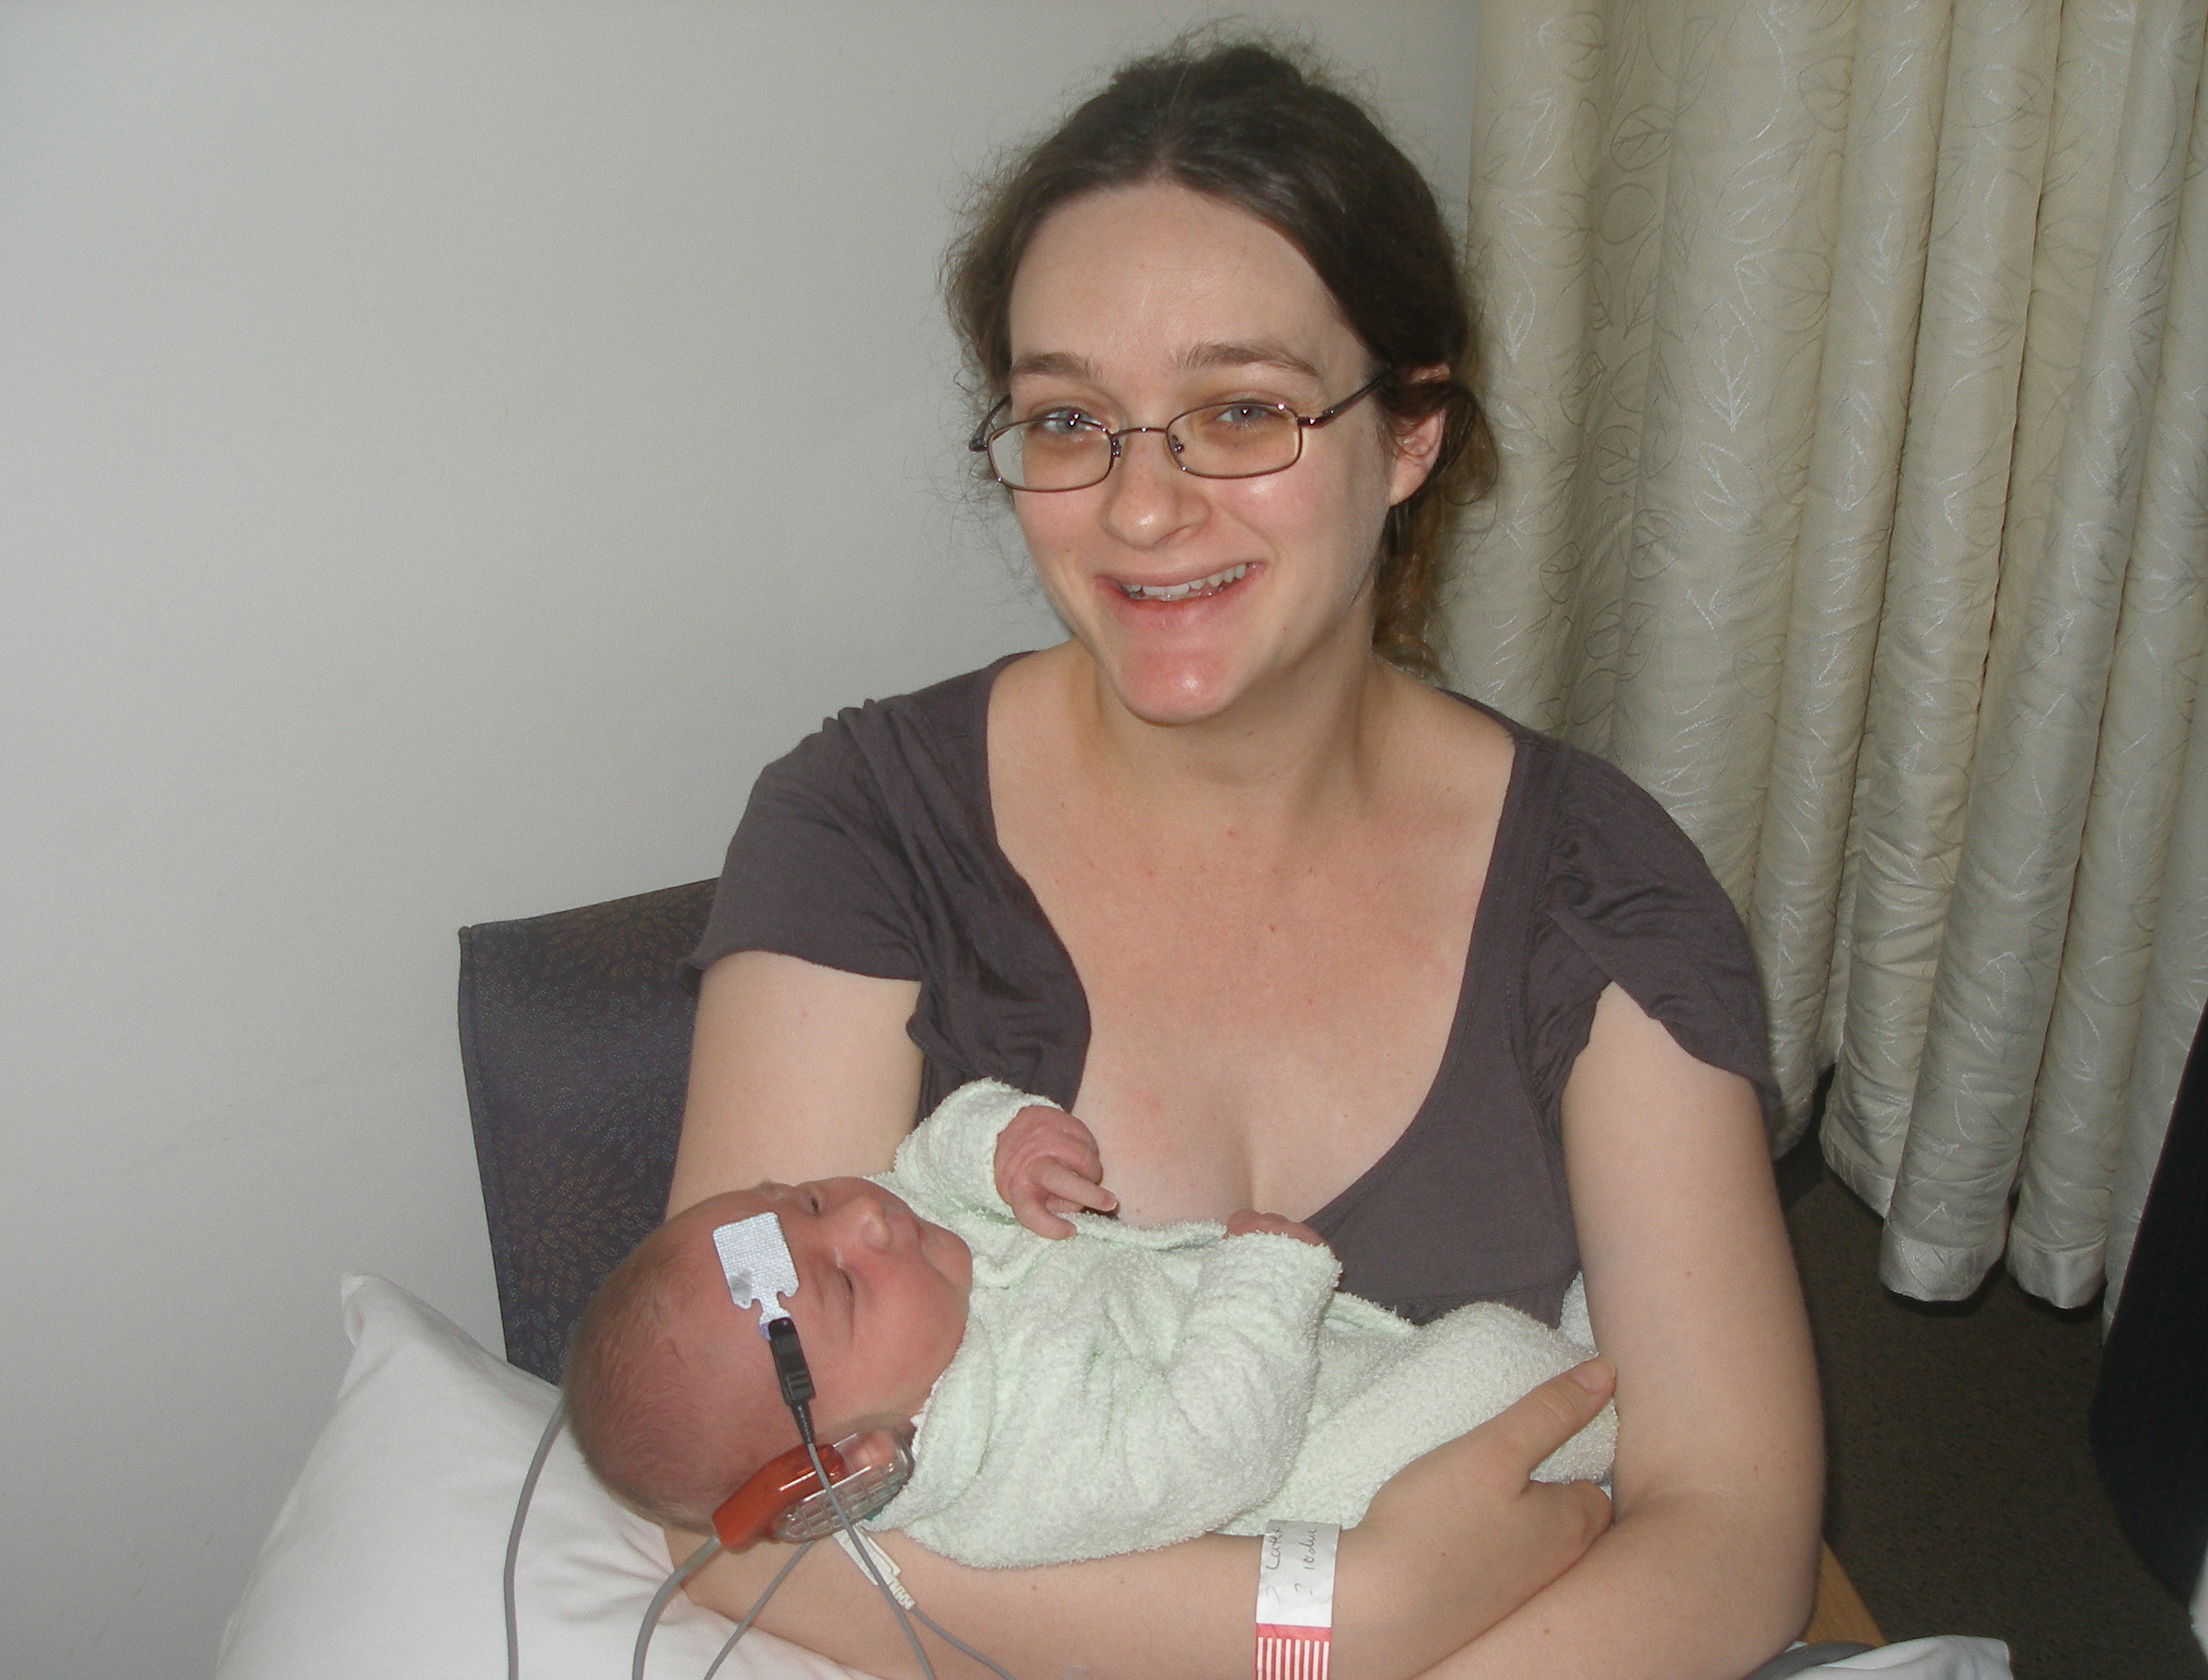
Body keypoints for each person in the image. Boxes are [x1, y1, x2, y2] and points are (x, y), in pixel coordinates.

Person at [662, 35, 1820, 1680]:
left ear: (1410, 430)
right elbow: (732, 1519)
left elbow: (1736, 1532)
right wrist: (1336, 1621)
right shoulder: (865, 829)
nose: (1141, 509)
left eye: (1241, 411)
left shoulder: (1597, 892)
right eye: (1071, 420)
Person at [567, 1079, 1613, 1570]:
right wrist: (1264, 1281)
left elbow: (922, 1163)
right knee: (1491, 1365)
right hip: (1318, 1463)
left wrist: (1001, 1146)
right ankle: (1612, 1416)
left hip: (1346, 1370)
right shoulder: (1014, 1470)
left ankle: (1606, 1389)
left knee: (1513, 1345)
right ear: (847, 1462)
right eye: (842, 1284)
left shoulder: (906, 1287)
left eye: (802, 1199)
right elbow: (1213, 1451)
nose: (866, 1219)